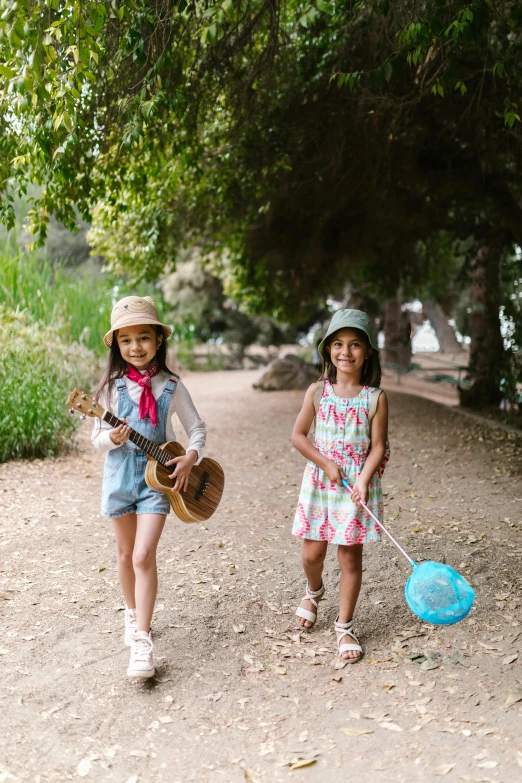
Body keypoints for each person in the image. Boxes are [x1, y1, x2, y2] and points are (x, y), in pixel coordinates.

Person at [92, 296, 206, 679]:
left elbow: (197, 428)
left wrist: (191, 456)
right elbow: (96, 438)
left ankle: (142, 641)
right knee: (125, 556)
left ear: (158, 340)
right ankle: (132, 612)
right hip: (119, 479)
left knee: (143, 556)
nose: (135, 347)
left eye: (143, 337)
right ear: (117, 347)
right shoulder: (110, 389)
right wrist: (114, 439)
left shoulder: (171, 386)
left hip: (157, 483)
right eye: (126, 341)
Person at [291, 309, 389, 662]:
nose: (345, 352)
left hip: (355, 488)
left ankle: (344, 625)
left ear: (367, 353)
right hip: (321, 481)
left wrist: (362, 479)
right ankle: (313, 590)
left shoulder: (375, 398)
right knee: (311, 553)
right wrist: (326, 463)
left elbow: (378, 446)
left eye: (355, 345)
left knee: (349, 558)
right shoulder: (317, 392)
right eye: (338, 344)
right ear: (328, 350)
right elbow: (299, 436)